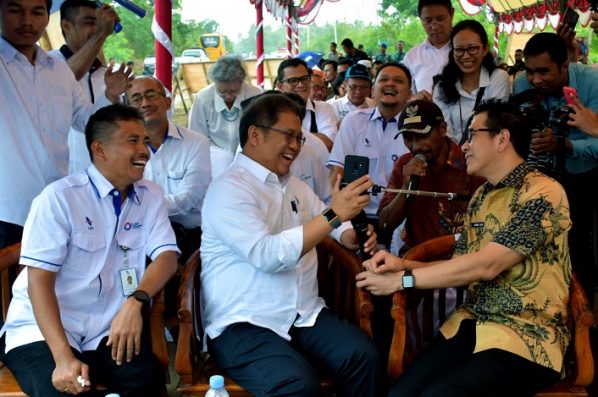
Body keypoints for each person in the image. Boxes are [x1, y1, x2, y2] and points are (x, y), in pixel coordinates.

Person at [357, 99, 571, 396]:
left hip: (526, 335)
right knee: (400, 392)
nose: (465, 145)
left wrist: (404, 279)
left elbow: (486, 265)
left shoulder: (543, 192)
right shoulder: (482, 195)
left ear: (502, 139)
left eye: (472, 135)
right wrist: (403, 264)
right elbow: (463, 262)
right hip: (472, 323)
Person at [201, 92, 383, 396]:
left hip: (304, 313)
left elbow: (329, 220)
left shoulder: (294, 185)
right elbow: (267, 255)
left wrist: (350, 234)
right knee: (296, 384)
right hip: (245, 322)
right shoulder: (228, 190)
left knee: (364, 359)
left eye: (299, 138)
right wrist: (335, 215)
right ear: (255, 135)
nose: (296, 146)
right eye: (288, 136)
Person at [0, 104, 179, 397]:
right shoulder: (59, 199)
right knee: (64, 390)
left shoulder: (151, 196)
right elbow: (39, 283)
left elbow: (167, 257)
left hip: (107, 329)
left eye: (144, 140)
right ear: (100, 149)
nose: (144, 150)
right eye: (132, 141)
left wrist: (135, 301)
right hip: (45, 330)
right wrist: (62, 359)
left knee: (147, 381)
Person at [0, 0, 132, 249]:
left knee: (55, 285)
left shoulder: (57, 70)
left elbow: (87, 121)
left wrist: (110, 97)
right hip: (8, 211)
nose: (27, 20)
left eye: (37, 12)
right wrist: (100, 34)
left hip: (56, 204)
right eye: (15, 10)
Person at [513, 32, 598, 302]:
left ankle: (582, 312)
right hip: (541, 177)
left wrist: (566, 146)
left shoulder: (592, 84)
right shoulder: (521, 85)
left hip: (584, 178)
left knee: (579, 248)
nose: (535, 80)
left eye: (543, 72)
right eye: (529, 71)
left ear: (565, 66)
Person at [378, 99, 483, 253]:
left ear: (442, 129)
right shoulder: (404, 165)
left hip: (463, 258)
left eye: (422, 136)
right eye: (408, 138)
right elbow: (385, 225)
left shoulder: (470, 161)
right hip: (417, 256)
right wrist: (406, 188)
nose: (415, 146)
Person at [127, 75, 211, 264]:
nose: (145, 103)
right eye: (136, 98)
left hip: (188, 237)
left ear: (167, 102)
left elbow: (189, 197)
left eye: (151, 95)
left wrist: (143, 208)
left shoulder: (196, 143)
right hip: (139, 235)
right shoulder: (124, 149)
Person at [327, 62, 412, 236]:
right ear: (372, 91)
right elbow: (337, 172)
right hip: (356, 217)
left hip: (403, 220)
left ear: (410, 94)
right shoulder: (353, 121)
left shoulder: (416, 129)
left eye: (398, 81)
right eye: (384, 80)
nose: (390, 84)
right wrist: (338, 224)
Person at [49, 0, 120, 175]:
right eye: (89, 22)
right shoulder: (47, 65)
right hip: (63, 177)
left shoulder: (106, 74)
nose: (96, 28)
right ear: (66, 25)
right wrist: (101, 34)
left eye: (99, 23)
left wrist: (111, 95)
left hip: (106, 175)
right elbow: (63, 79)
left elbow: (90, 123)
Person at [433, 20, 510, 145]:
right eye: (459, 50)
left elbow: (494, 125)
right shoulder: (442, 87)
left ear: (485, 49)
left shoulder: (498, 78)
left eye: (472, 48)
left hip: (489, 155)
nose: (466, 56)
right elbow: (445, 133)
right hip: (454, 157)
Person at [188, 55, 261, 178]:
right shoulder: (203, 98)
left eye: (234, 91)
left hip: (248, 156)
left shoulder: (255, 95)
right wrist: (220, 157)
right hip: (213, 159)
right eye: (222, 91)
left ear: (242, 82)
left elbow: (260, 131)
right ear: (215, 83)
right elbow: (197, 136)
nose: (228, 96)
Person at [276, 58, 338, 150]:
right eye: (293, 81)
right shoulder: (271, 111)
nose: (300, 84)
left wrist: (284, 134)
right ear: (280, 86)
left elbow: (328, 143)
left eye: (304, 79)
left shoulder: (322, 108)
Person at [403, 0, 454, 99]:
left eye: (440, 19)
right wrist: (414, 99)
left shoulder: (468, 50)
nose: (434, 27)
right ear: (420, 19)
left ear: (451, 14)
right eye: (428, 21)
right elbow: (405, 97)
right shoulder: (412, 57)